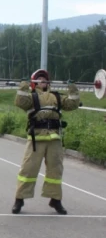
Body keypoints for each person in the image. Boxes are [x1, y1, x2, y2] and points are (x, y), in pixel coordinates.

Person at [12, 69, 79, 215]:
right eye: (39, 78)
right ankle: (19, 199)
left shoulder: (57, 97)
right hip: (36, 138)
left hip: (54, 139)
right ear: (34, 82)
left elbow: (73, 103)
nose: (42, 80)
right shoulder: (30, 97)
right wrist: (23, 86)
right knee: (27, 170)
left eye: (44, 78)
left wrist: (72, 88)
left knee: (55, 171)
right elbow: (19, 101)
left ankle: (55, 200)